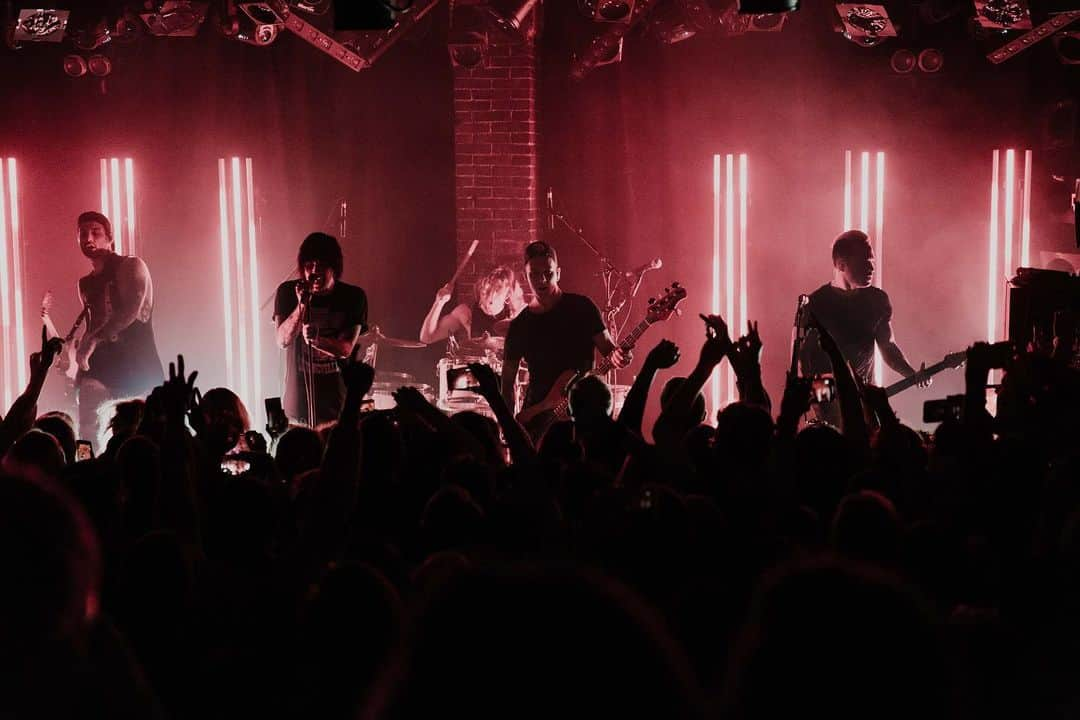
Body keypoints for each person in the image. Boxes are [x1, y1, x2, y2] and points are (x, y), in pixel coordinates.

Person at [501, 241, 630, 415]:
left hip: (582, 412)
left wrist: (621, 356)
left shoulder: (583, 307)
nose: (542, 280)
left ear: (558, 273)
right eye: (535, 274)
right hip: (539, 418)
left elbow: (609, 351)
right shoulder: (519, 325)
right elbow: (507, 384)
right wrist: (509, 427)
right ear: (525, 277)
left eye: (548, 273)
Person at [72, 211, 163, 446]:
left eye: (95, 232)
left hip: (136, 364)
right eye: (82, 234)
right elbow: (92, 323)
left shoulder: (131, 265)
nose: (88, 238)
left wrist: (93, 341)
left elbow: (133, 308)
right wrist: (80, 363)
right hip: (101, 367)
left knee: (141, 434)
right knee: (88, 428)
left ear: (110, 238)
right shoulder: (84, 284)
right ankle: (87, 470)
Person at [800, 230, 926, 388]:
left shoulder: (877, 300)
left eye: (872, 261)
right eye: (864, 261)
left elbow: (887, 346)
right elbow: (802, 357)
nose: (872, 268)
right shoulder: (816, 304)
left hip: (866, 398)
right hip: (829, 401)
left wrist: (912, 374)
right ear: (841, 264)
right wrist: (818, 396)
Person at [274, 232, 367, 426]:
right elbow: (282, 341)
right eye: (309, 266)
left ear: (334, 268)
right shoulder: (287, 292)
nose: (314, 272)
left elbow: (345, 349)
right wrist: (301, 305)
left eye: (321, 265)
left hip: (337, 412)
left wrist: (317, 340)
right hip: (296, 412)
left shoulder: (353, 297)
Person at [419, 265, 525, 347]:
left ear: (507, 295)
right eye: (485, 292)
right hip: (477, 371)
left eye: (497, 291)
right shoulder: (465, 312)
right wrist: (439, 302)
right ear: (480, 288)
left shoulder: (516, 315)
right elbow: (427, 338)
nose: (490, 298)